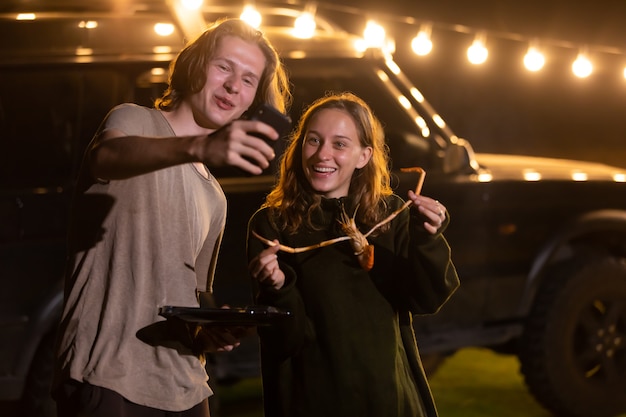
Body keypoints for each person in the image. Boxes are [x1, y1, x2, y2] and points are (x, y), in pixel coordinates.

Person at [52, 18, 291, 417]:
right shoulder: (132, 121)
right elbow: (106, 158)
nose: (234, 85)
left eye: (249, 80)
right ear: (195, 65)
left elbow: (184, 302)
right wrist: (200, 147)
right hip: (109, 375)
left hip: (185, 387)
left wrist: (209, 331)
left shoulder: (215, 196)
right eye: (224, 67)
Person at [247, 92, 459, 417]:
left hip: (390, 398)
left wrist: (428, 238)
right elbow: (283, 342)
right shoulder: (273, 223)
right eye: (313, 140)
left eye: (340, 144)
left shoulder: (390, 215)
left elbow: (426, 300)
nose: (322, 154)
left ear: (364, 155)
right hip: (313, 403)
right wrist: (277, 286)